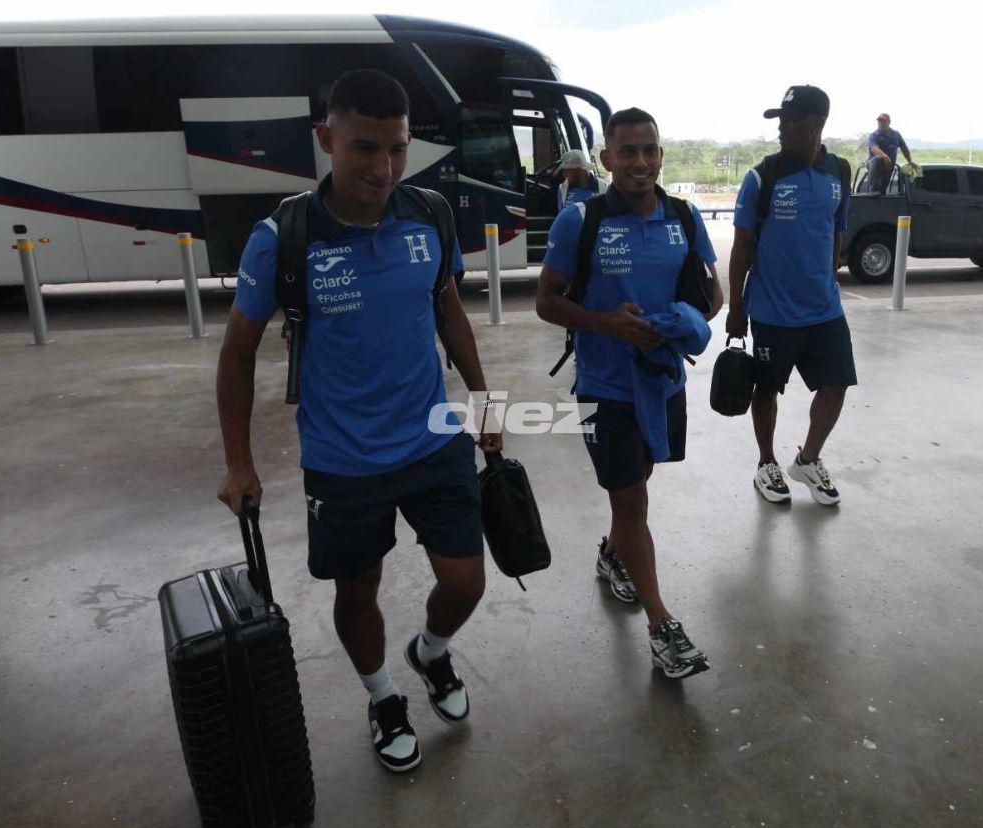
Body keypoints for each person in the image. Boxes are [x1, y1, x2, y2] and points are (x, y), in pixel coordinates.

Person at [216, 69, 501, 774]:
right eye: (364, 148)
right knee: (358, 589)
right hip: (343, 460)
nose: (382, 168)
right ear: (326, 140)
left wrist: (483, 395)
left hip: (434, 440)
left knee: (467, 581)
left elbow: (448, 309)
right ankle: (381, 695)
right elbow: (238, 352)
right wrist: (239, 462)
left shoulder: (429, 214)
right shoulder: (283, 238)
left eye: (397, 149)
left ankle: (430, 652)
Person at [536, 107, 724, 679]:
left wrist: (679, 322)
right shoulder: (581, 221)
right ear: (607, 158)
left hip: (663, 380)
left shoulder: (685, 219)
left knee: (637, 485)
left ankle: (612, 555)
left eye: (650, 151)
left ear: (661, 155)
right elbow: (547, 301)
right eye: (628, 152)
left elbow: (712, 297)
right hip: (603, 388)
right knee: (631, 500)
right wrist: (604, 322)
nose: (640, 162)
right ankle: (662, 625)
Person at [726, 85, 857, 506]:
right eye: (779, 121)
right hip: (771, 311)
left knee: (836, 384)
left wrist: (828, 273)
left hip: (824, 309)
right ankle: (767, 462)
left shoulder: (839, 171)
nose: (781, 129)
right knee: (766, 389)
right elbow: (742, 246)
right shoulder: (762, 177)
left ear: (816, 124)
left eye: (789, 122)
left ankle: (808, 458)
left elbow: (836, 229)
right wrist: (736, 308)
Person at [866, 113, 914, 195]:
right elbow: (874, 149)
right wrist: (885, 157)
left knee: (883, 187)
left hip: (889, 166)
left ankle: (881, 199)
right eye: (879, 121)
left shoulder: (896, 134)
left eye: (884, 121)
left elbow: (904, 148)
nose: (881, 123)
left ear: (889, 122)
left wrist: (910, 161)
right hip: (875, 165)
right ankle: (873, 190)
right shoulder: (874, 135)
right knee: (878, 159)